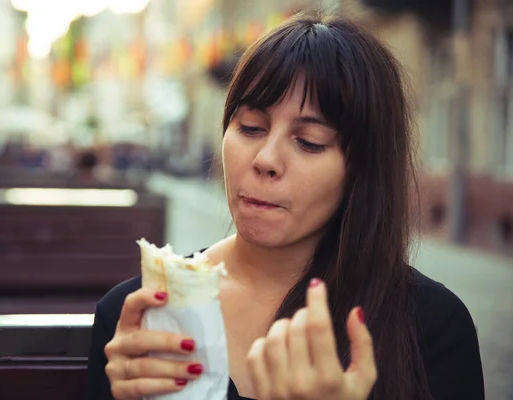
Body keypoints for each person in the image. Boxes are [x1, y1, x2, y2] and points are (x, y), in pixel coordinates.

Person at [86, 12, 484, 400]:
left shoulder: (430, 327)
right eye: (251, 128)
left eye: (309, 141)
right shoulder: (141, 317)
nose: (265, 159)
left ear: (363, 167)